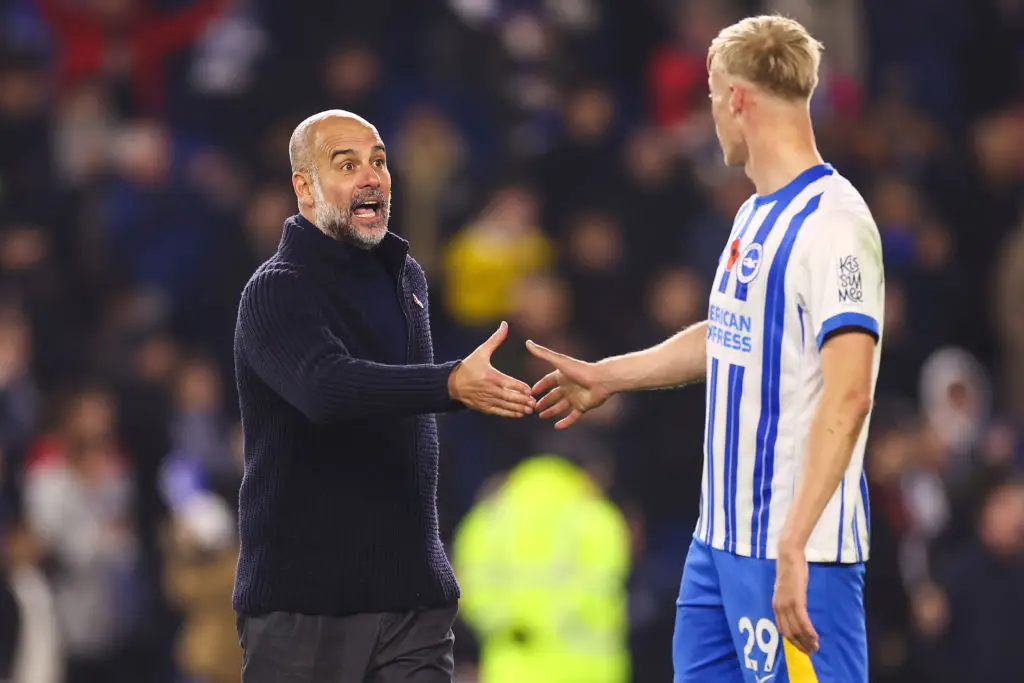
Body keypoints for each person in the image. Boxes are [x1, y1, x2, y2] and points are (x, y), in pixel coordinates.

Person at [527, 15, 883, 683]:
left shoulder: (836, 223)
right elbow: (728, 333)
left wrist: (796, 539)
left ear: (739, 99)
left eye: (713, 100)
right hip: (718, 544)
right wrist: (611, 374)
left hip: (792, 548)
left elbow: (851, 388)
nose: (712, 117)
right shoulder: (752, 213)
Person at [232, 109, 536, 683]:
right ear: (304, 186)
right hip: (305, 608)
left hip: (412, 601)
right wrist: (448, 382)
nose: (371, 176)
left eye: (378, 161)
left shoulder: (408, 280)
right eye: (347, 164)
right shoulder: (275, 291)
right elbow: (324, 388)